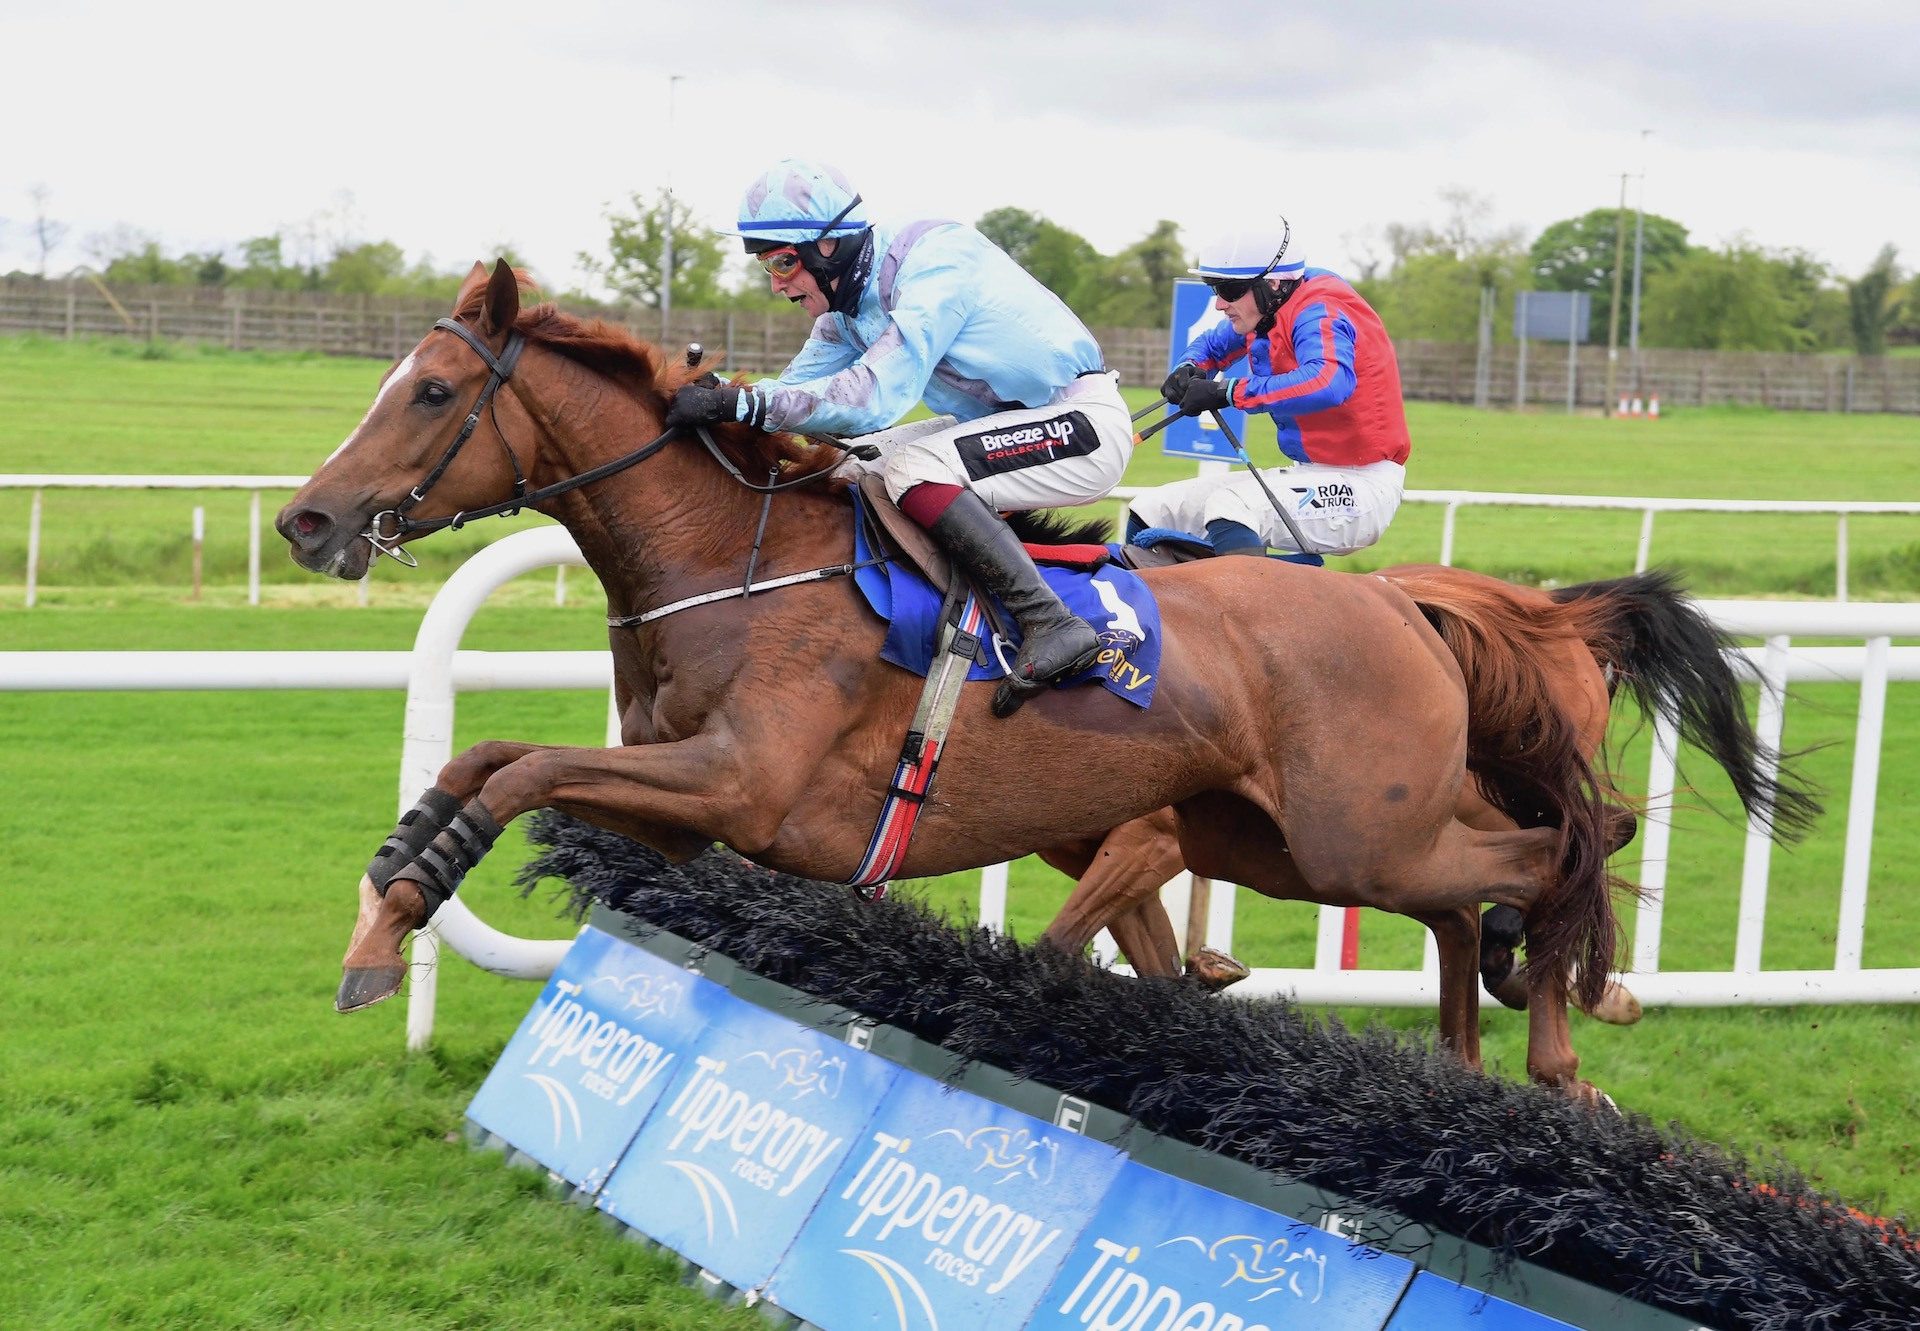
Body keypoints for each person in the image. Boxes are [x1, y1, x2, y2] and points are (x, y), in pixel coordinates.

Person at [664, 159, 1135, 711]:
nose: (776, 283)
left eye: (784, 261)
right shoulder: (845, 313)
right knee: (846, 468)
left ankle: (1051, 622)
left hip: (1082, 425)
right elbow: (795, 393)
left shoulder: (934, 262)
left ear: (830, 248)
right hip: (1000, 429)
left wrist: (743, 403)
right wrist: (728, 402)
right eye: (766, 265)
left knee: (914, 469)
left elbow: (873, 398)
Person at [1128, 222, 1411, 559]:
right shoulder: (1267, 308)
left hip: (1364, 487)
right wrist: (1188, 369)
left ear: (1272, 283)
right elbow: (1212, 347)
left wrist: (1227, 393)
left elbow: (1327, 381)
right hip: (1309, 474)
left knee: (1231, 508)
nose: (1219, 304)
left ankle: (1256, 610)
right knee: (1152, 509)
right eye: (1214, 289)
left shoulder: (1321, 309)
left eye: (1229, 291)